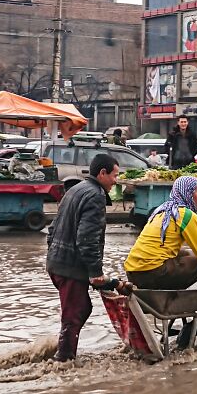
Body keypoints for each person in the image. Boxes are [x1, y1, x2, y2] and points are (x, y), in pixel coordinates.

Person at [46, 153, 130, 362]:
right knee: (74, 314)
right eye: (114, 175)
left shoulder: (75, 189)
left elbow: (52, 229)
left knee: (81, 308)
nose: (115, 180)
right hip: (69, 266)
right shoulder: (95, 195)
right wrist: (95, 273)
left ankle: (63, 352)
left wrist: (54, 255)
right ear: (102, 173)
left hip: (57, 262)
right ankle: (63, 361)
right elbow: (87, 239)